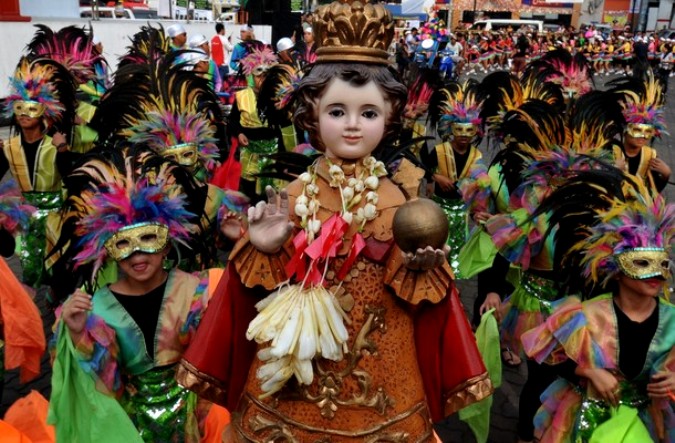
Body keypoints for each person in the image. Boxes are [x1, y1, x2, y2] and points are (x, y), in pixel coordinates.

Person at [178, 1, 492, 441]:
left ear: (389, 117)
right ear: (312, 113)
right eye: (337, 111)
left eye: (369, 113)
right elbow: (253, 297)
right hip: (291, 384)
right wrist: (262, 248)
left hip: (382, 385)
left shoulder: (398, 200)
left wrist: (421, 268)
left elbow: (419, 294)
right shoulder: (292, 197)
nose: (352, 127)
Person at [47, 146, 230, 442]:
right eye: (123, 244)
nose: (137, 255)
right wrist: (80, 335)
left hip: (200, 424)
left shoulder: (198, 290)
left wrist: (250, 244)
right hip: (130, 430)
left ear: (167, 243)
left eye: (148, 238)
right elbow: (108, 386)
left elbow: (238, 334)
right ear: (107, 251)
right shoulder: (98, 307)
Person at [521, 172, 675, 443]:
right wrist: (588, 371)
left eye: (663, 264)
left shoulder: (671, 319)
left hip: (643, 423)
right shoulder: (585, 314)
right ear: (616, 270)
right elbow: (552, 362)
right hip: (583, 421)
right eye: (642, 264)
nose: (657, 274)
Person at [0, 57, 77, 287]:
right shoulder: (9, 146)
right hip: (26, 216)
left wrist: (63, 149)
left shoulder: (54, 144)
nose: (24, 113)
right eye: (20, 107)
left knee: (59, 269)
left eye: (31, 108)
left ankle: (57, 302)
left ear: (43, 110)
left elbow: (70, 176)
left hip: (56, 213)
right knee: (30, 271)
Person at [423, 80, 484, 278]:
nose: (464, 136)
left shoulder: (477, 156)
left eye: (469, 130)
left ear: (475, 131)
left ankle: (451, 285)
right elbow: (425, 169)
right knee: (435, 249)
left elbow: (480, 187)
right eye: (459, 129)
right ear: (451, 129)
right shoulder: (439, 151)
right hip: (439, 209)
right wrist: (435, 178)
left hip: (461, 213)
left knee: (456, 255)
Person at [608, 74, 671, 193]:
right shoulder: (611, 151)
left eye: (648, 131)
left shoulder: (650, 156)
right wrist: (613, 171)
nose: (643, 136)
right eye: (637, 130)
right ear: (625, 129)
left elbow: (653, 191)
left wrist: (665, 175)